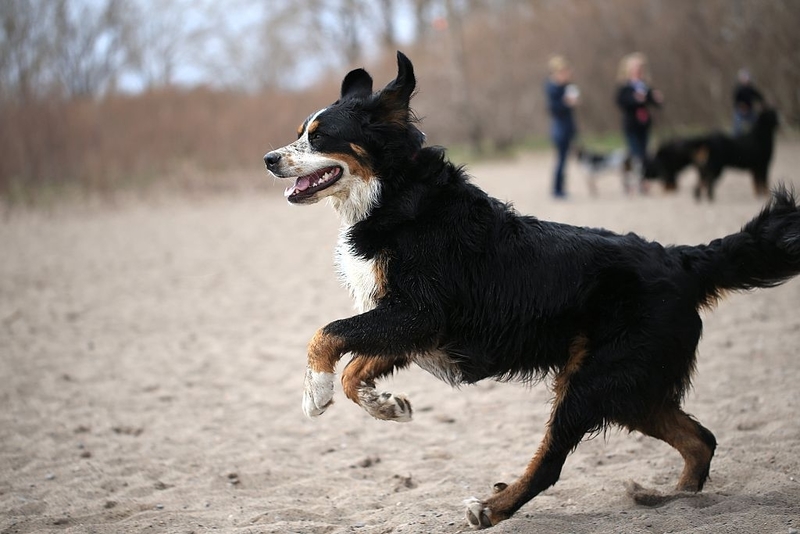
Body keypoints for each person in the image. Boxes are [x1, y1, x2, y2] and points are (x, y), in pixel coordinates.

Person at [615, 53, 663, 193]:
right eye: (634, 67)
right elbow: (621, 103)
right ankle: (629, 183)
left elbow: (654, 102)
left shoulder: (645, 86)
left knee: (645, 154)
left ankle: (643, 182)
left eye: (639, 67)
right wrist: (635, 100)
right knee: (634, 154)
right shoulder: (624, 87)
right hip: (631, 125)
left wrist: (657, 99)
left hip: (644, 124)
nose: (637, 70)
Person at [545, 56, 578, 199]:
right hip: (559, 128)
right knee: (561, 159)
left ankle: (561, 188)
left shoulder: (567, 87)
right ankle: (557, 189)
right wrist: (566, 103)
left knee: (564, 160)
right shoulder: (552, 88)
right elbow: (553, 108)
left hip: (568, 127)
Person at [732, 69, 764, 136]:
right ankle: (735, 139)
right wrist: (741, 107)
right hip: (740, 111)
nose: (745, 80)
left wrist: (762, 104)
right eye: (743, 78)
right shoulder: (738, 89)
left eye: (746, 78)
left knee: (757, 123)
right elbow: (736, 101)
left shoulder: (751, 89)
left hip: (749, 111)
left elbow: (759, 97)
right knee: (737, 127)